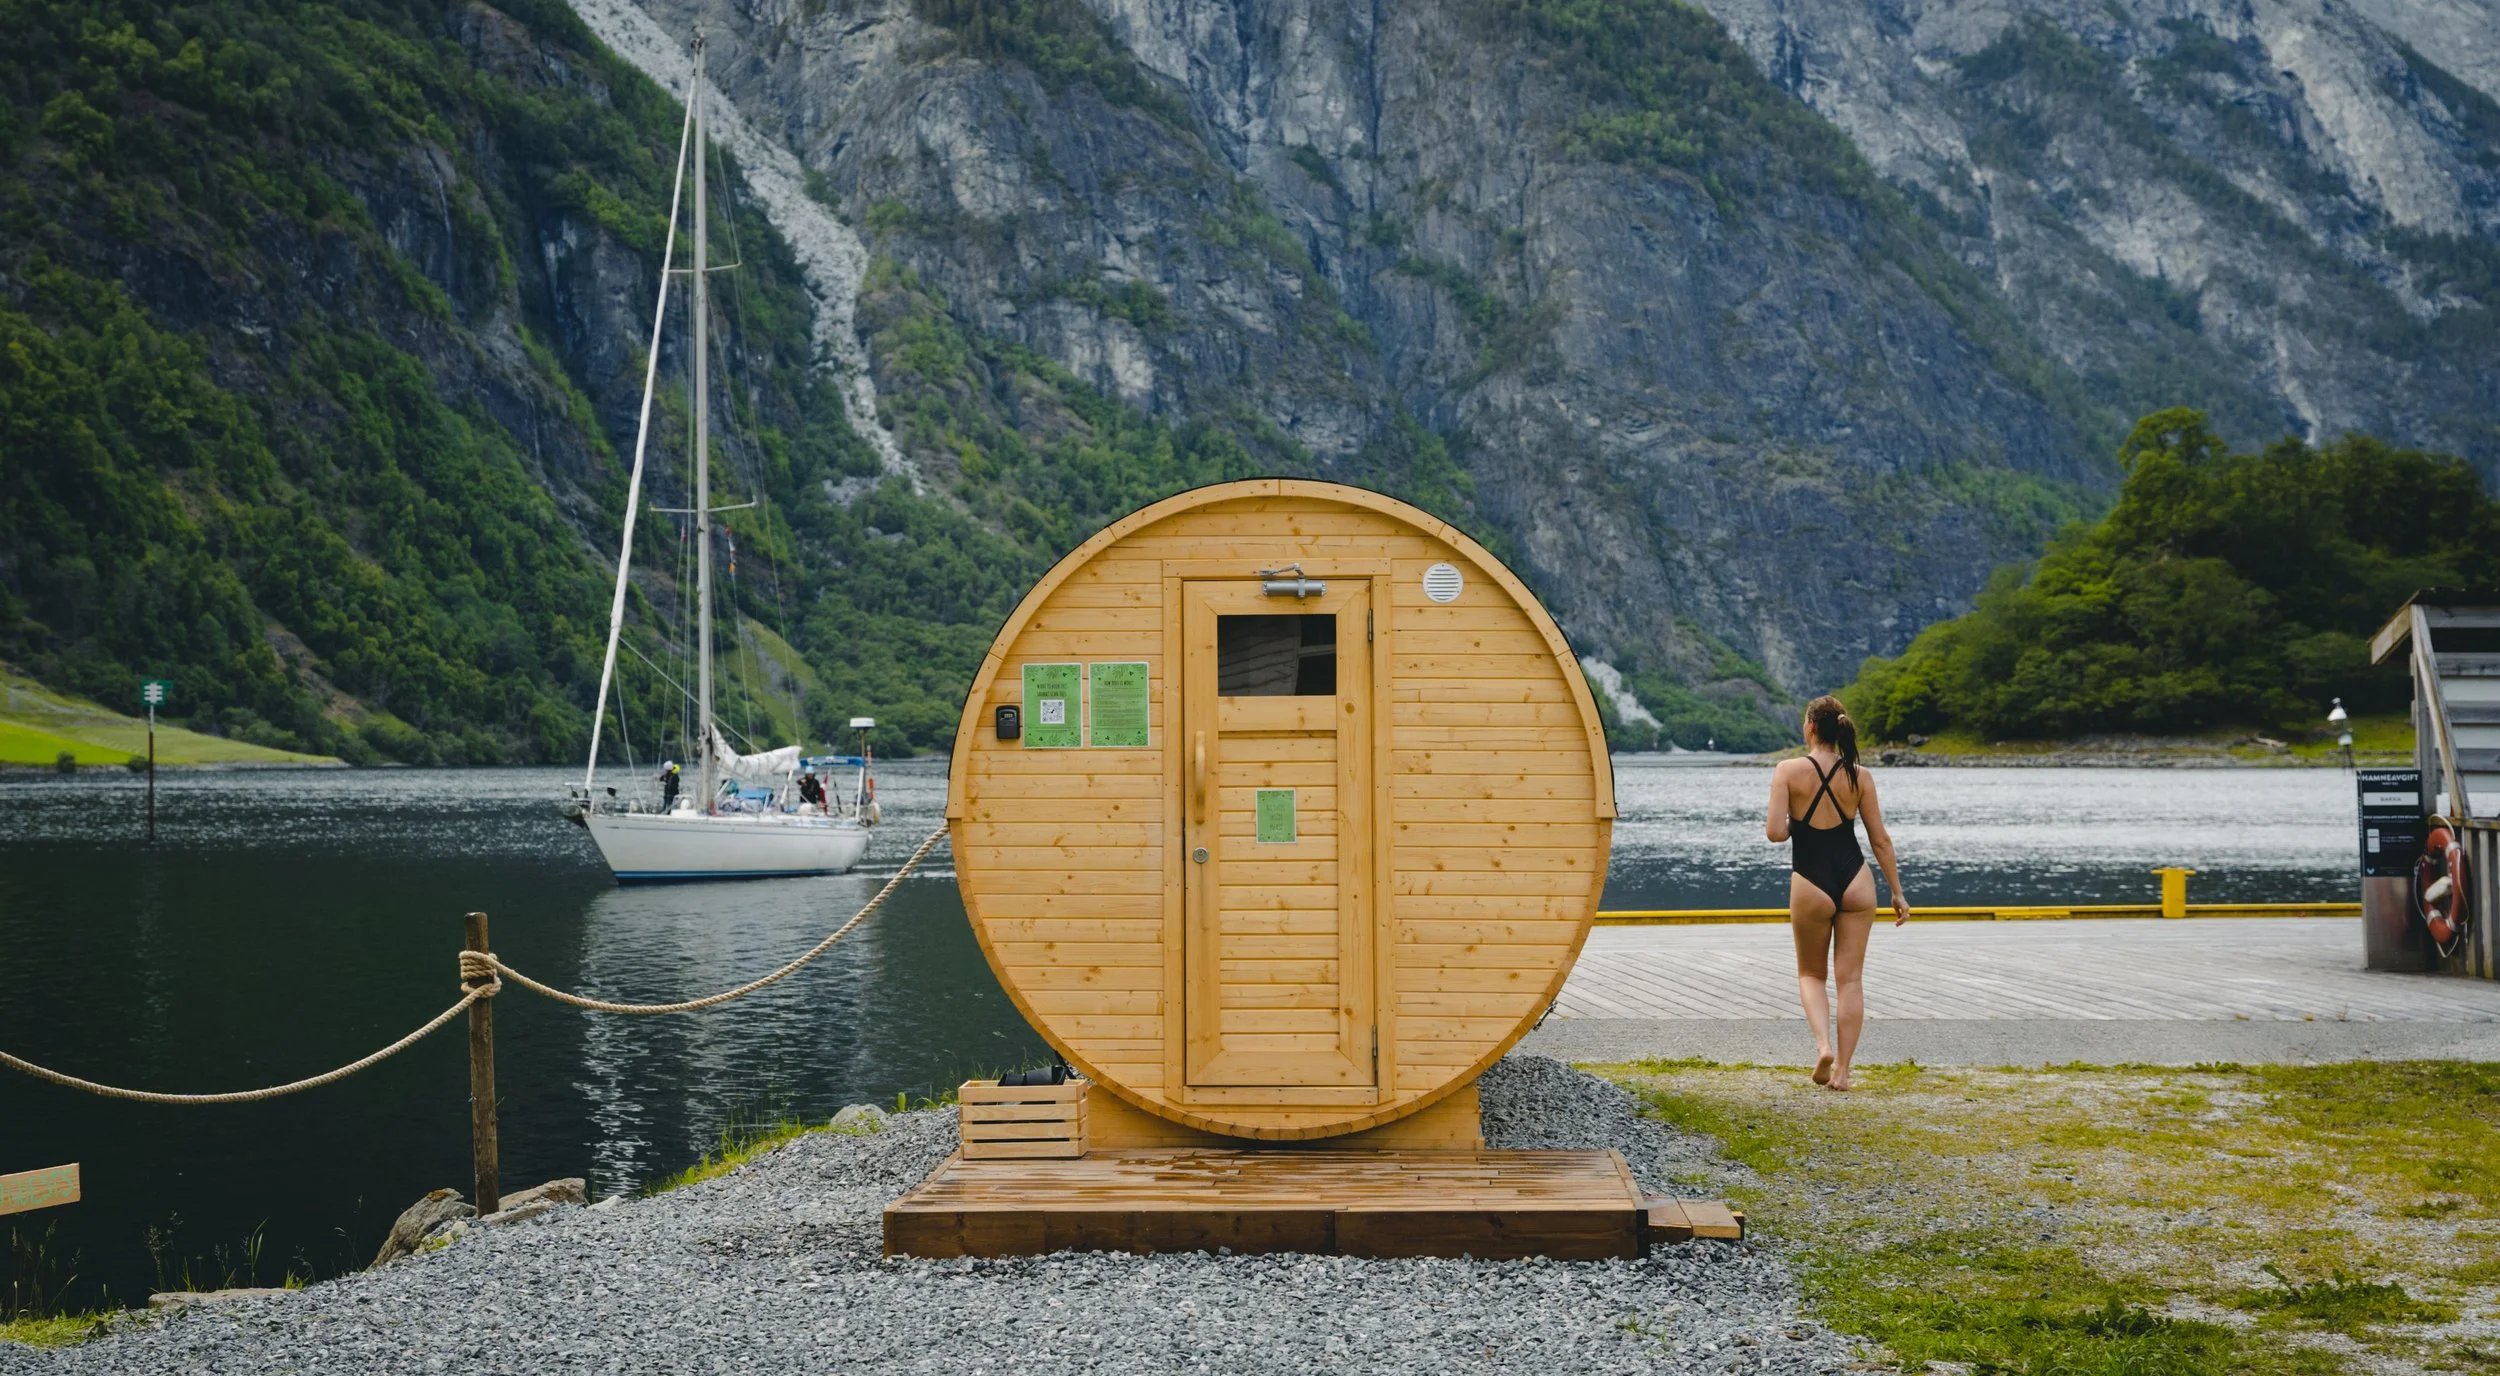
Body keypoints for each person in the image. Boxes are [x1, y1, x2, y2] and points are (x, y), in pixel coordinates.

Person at [1764, 696, 1909, 1091]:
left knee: (1811, 973)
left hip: (1810, 880)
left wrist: (1800, 823)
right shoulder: (1859, 775)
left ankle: (1823, 1046)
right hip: (1856, 880)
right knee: (1850, 981)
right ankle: (1843, 1072)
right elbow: (1880, 839)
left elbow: (1776, 832)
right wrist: (1897, 892)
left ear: (1810, 726)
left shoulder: (1788, 770)